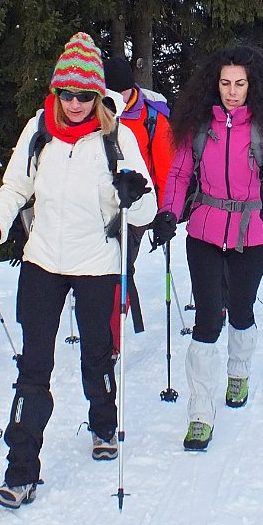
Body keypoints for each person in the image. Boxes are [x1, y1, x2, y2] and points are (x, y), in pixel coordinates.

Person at [0, 33, 157, 510]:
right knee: (34, 367)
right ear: (55, 93)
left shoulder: (118, 138)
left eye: (84, 95)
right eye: (66, 94)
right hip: (42, 263)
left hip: (96, 264)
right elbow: (15, 186)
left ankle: (102, 422)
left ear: (98, 96)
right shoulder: (39, 130)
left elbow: (145, 212)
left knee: (97, 355)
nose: (74, 104)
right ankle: (20, 473)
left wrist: (133, 194)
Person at [150, 44, 263, 452]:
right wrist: (167, 213)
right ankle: (199, 413)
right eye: (226, 83)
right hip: (205, 231)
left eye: (240, 84)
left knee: (243, 309)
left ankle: (238, 371)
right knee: (209, 318)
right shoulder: (198, 127)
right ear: (215, 84)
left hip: (252, 233)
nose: (232, 91)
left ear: (252, 86)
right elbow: (178, 176)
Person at [103, 55, 175, 351]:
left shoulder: (151, 117)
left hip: (138, 206)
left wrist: (165, 213)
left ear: (131, 89)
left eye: (119, 92)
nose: (114, 99)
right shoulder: (96, 112)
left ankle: (111, 343)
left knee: (117, 268)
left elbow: (168, 169)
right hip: (101, 203)